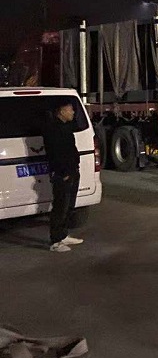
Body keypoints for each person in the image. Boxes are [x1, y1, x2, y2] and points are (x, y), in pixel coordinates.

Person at [41, 100, 84, 253]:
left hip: (72, 171)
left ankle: (63, 235)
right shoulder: (53, 129)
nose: (73, 112)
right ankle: (55, 241)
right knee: (60, 207)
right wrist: (63, 172)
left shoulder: (66, 127)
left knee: (69, 206)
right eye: (70, 110)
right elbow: (55, 154)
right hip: (62, 174)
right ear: (61, 111)